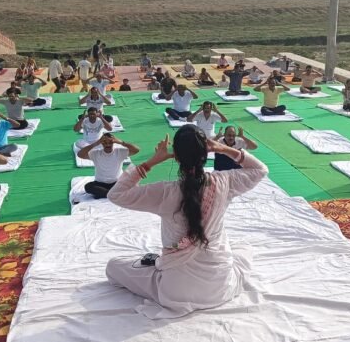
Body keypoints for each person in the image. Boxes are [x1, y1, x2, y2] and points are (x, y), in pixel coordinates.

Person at [105, 125, 268, 319]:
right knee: (243, 248)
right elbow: (260, 169)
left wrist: (152, 161)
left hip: (174, 293)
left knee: (113, 266)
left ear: (176, 157)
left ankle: (157, 265)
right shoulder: (226, 182)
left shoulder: (164, 192)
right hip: (219, 288)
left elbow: (116, 194)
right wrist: (224, 149)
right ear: (206, 153)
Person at [77, 134, 140, 200]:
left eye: (110, 142)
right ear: (101, 143)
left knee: (132, 183)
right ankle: (112, 194)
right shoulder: (96, 153)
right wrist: (96, 143)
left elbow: (136, 150)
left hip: (117, 183)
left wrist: (121, 142)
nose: (108, 145)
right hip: (100, 184)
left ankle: (106, 194)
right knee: (88, 187)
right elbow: (80, 154)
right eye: (105, 142)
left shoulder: (120, 152)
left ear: (114, 142)